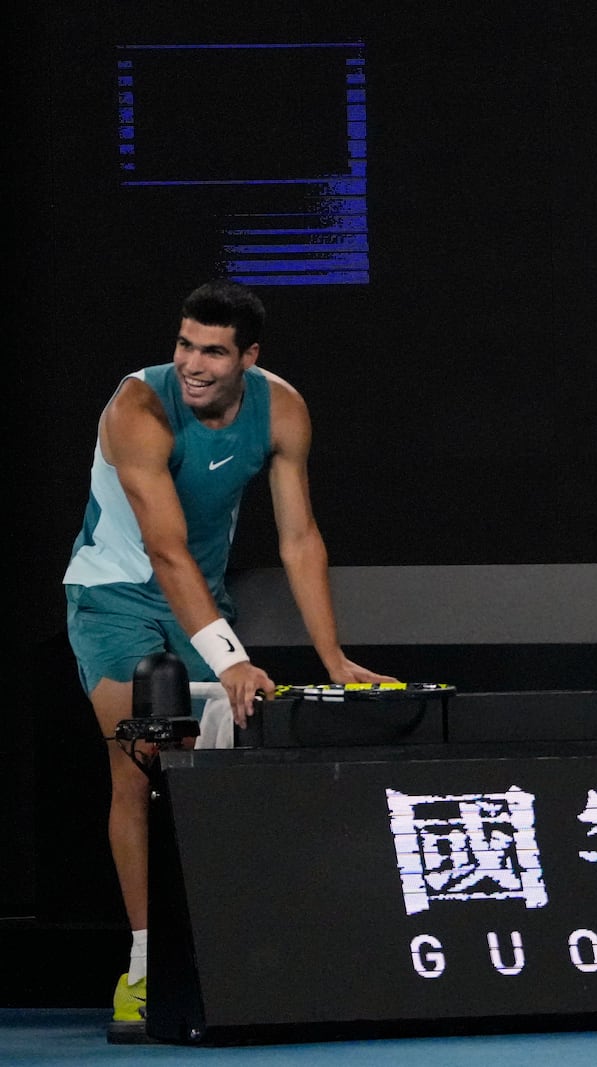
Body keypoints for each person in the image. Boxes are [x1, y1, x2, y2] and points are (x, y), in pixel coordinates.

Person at [63, 280, 395, 1034]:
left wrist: (333, 655)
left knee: (210, 765)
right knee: (143, 761)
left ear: (249, 356)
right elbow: (164, 548)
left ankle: (224, 955)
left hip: (201, 599)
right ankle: (144, 969)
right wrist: (231, 656)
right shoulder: (137, 410)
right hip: (115, 595)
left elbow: (299, 537)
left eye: (213, 350)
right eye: (185, 344)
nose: (193, 362)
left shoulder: (282, 410)